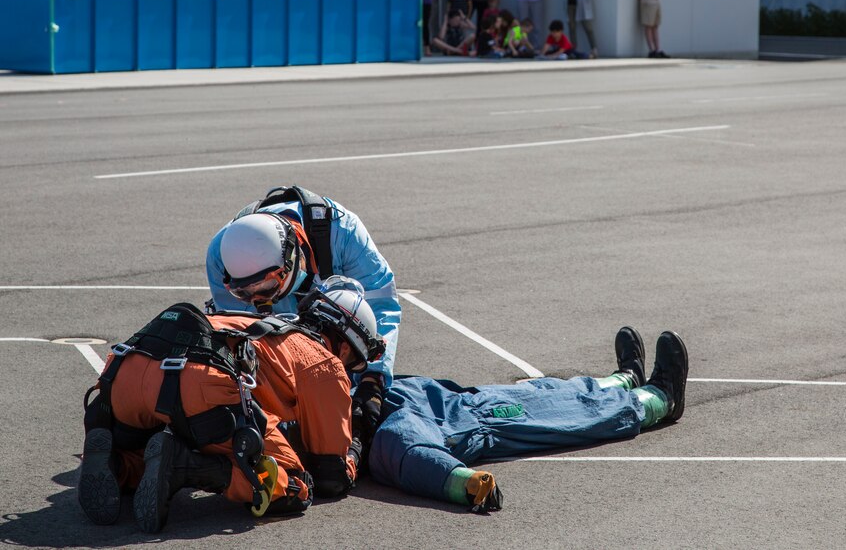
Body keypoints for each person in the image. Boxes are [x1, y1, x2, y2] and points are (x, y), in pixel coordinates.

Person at [76, 277, 385, 531]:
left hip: (124, 372)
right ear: (345, 347)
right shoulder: (325, 364)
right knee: (291, 485)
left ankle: (119, 464)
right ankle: (182, 467)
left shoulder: (257, 323)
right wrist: (358, 442)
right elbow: (332, 475)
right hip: (201, 385)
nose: (349, 371)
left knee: (192, 433)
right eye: (354, 364)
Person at [369, 326, 688, 511]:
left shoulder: (364, 393)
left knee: (548, 389)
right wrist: (466, 483)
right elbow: (413, 459)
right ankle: (661, 398)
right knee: (575, 412)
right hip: (486, 421)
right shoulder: (387, 431)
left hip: (470, 400)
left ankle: (623, 380)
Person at [204, 186, 400, 388]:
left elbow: (380, 306)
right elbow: (238, 331)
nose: (261, 302)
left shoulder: (344, 232)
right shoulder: (219, 256)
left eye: (268, 286)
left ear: (292, 259)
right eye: (244, 293)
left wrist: (373, 380)